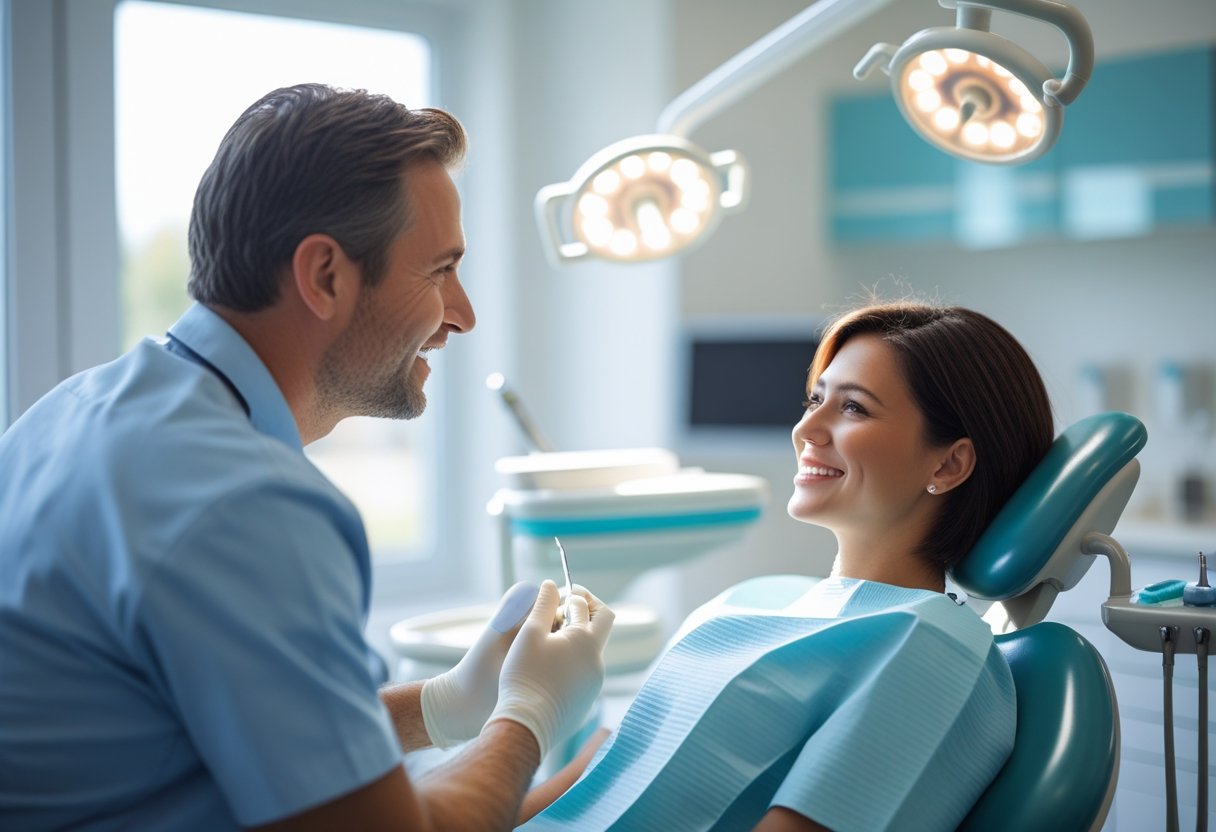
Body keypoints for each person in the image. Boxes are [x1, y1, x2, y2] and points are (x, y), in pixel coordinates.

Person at [0, 83, 614, 831]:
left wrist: (443, 705)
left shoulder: (73, 412)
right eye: (440, 270)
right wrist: (528, 716)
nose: (464, 314)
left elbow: (223, 730)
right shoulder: (245, 503)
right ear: (325, 275)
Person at [516, 300, 1055, 832]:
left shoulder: (931, 648)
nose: (806, 429)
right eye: (814, 399)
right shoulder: (750, 598)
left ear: (949, 462)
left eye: (853, 408)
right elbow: (589, 779)